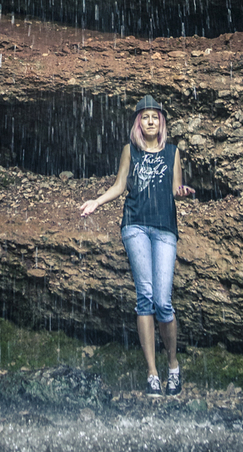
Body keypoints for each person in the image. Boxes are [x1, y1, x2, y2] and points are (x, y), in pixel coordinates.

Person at [80, 94, 195, 396]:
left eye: (155, 116)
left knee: (163, 302)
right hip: (135, 227)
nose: (150, 121)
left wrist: (182, 192)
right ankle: (152, 374)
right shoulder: (130, 151)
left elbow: (175, 188)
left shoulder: (172, 153)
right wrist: (97, 201)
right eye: (144, 117)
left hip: (165, 230)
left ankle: (172, 365)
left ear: (161, 122)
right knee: (144, 297)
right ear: (138, 123)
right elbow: (120, 186)